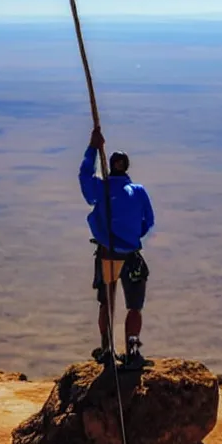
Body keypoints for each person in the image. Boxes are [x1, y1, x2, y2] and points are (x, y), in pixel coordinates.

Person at [79, 127, 155, 369]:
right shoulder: (139, 191)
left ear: (111, 165)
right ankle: (132, 351)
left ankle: (106, 349)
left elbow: (83, 176)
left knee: (107, 302)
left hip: (108, 253)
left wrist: (92, 148)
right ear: (128, 167)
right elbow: (149, 221)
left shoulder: (101, 188)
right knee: (135, 305)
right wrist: (133, 237)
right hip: (131, 255)